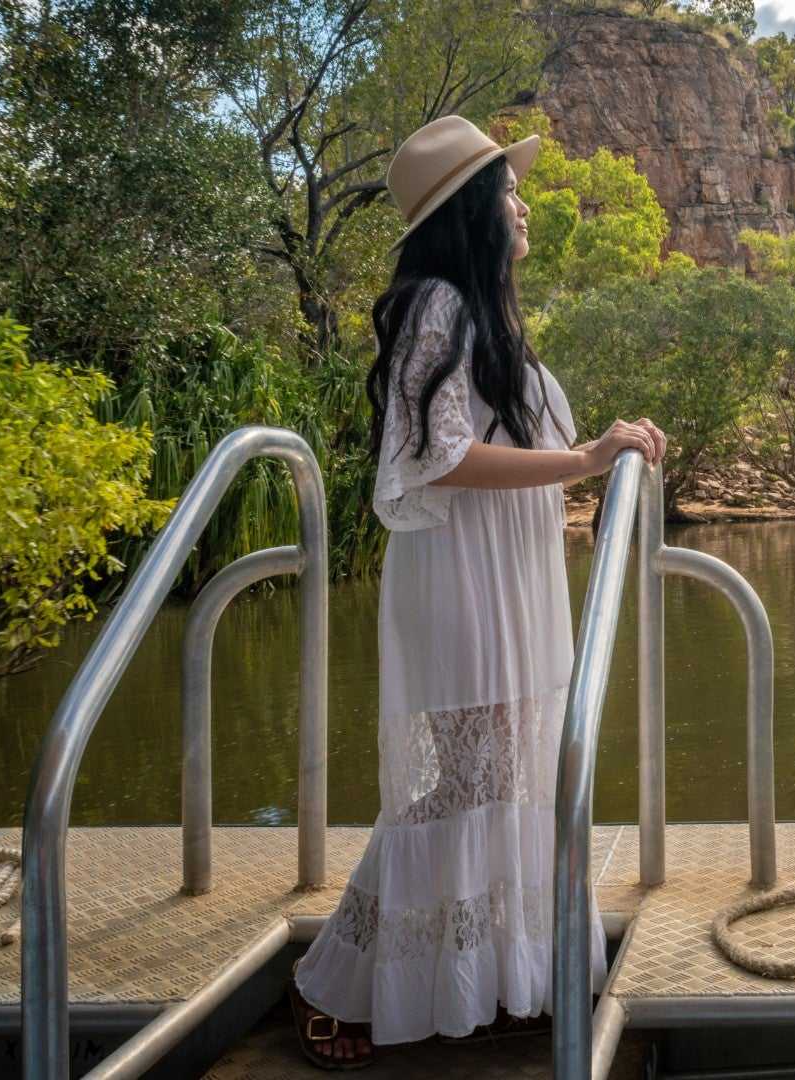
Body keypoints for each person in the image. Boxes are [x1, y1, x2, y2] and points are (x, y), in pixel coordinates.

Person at [285, 114, 666, 1069]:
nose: (522, 205)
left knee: (505, 781)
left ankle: (496, 979)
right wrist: (585, 458)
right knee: (462, 784)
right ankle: (337, 983)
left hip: (505, 578)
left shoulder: (480, 316)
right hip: (464, 581)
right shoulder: (438, 305)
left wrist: (603, 448)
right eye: (508, 191)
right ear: (471, 211)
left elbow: (499, 441)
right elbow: (439, 457)